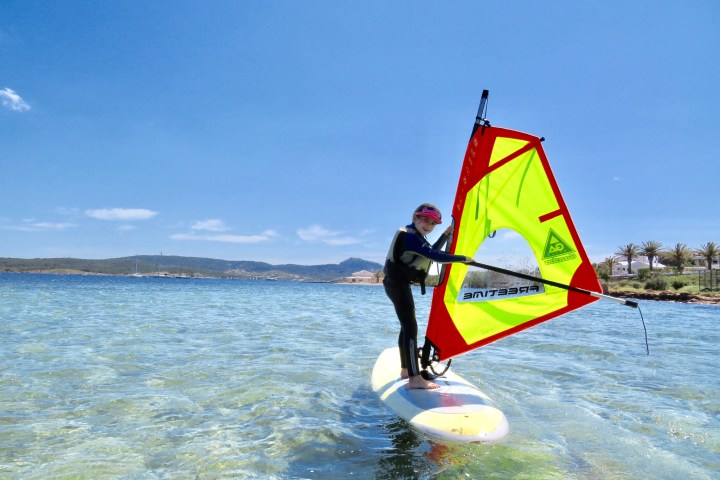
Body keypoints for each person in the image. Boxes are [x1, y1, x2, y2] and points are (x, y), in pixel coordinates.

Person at [383, 203, 474, 389]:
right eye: (425, 220)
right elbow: (436, 256)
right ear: (415, 218)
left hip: (397, 283)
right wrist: (463, 259)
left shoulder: (415, 236)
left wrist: (446, 234)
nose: (428, 225)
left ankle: (405, 370)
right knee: (410, 327)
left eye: (433, 223)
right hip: (397, 284)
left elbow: (430, 252)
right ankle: (415, 379)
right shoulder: (409, 237)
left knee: (406, 326)